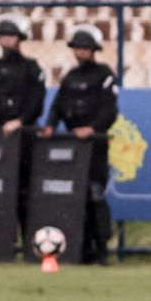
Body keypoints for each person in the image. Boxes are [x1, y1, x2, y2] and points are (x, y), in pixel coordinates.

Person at [40, 25, 119, 265]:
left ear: (93, 50)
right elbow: (57, 106)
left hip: (94, 145)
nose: (81, 52)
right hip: (73, 146)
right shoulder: (70, 78)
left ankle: (103, 249)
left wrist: (93, 129)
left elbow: (110, 109)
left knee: (96, 194)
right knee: (77, 197)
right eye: (78, 48)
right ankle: (82, 250)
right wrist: (51, 125)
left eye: (85, 48)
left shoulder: (104, 75)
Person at [0, 14, 46, 239]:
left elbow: (36, 102)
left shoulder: (31, 68)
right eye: (3, 36)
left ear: (20, 38)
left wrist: (20, 121)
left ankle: (28, 241)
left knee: (25, 190)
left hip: (22, 138)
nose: (6, 40)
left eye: (11, 36)